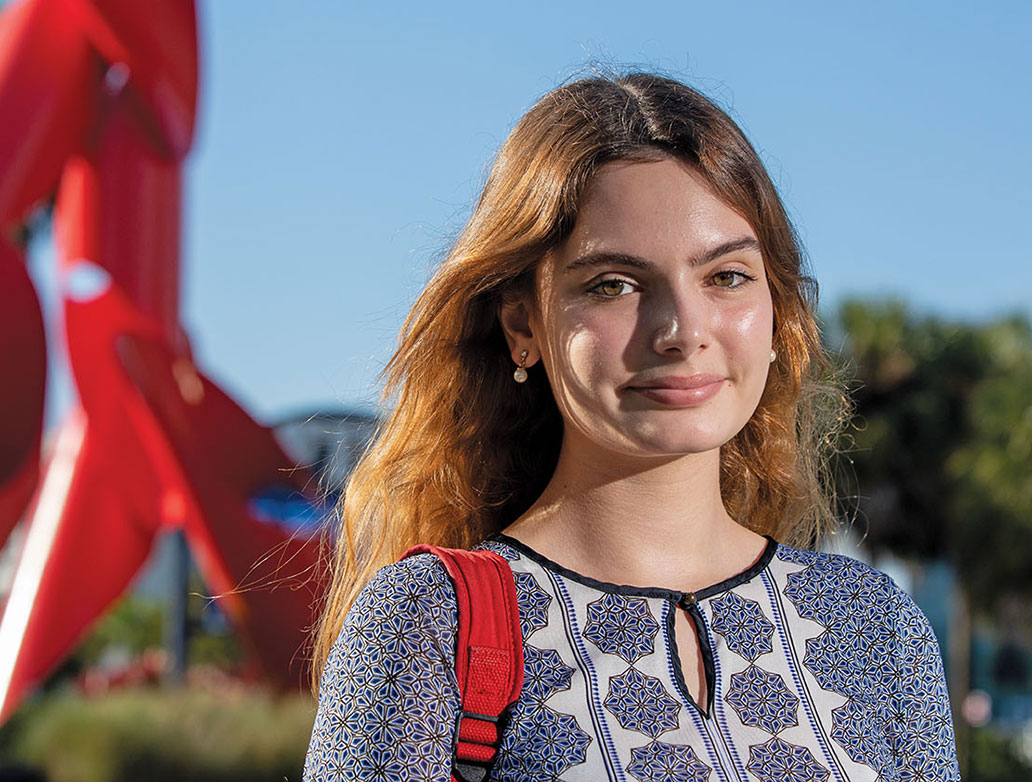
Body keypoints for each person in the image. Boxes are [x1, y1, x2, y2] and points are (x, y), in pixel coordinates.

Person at [303, 72, 959, 781]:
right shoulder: (427, 625)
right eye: (614, 284)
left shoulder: (876, 629)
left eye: (727, 276)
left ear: (776, 312)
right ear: (523, 323)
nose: (682, 330)